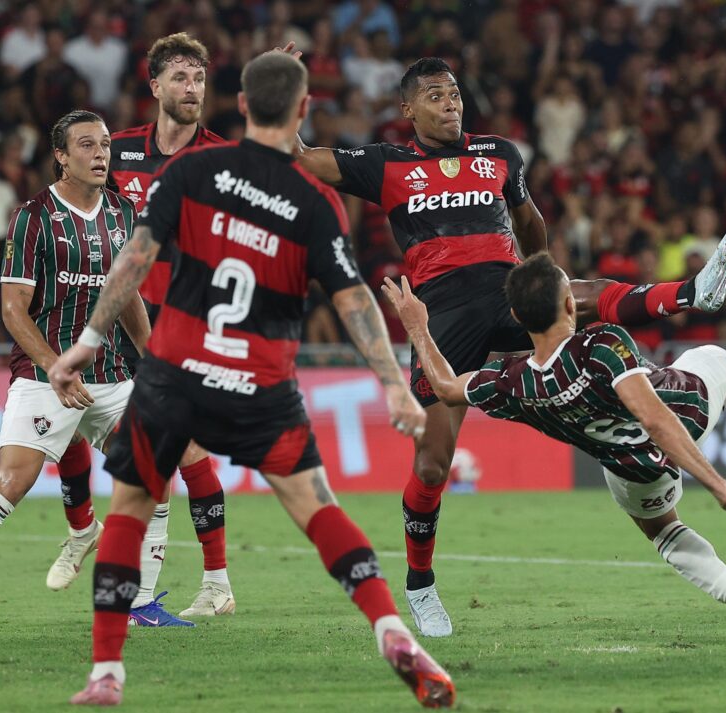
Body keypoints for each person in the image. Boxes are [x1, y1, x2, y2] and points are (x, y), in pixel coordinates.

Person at [288, 45, 726, 636]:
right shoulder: (385, 163)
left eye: (454, 93)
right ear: (408, 109)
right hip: (445, 314)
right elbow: (300, 157)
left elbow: (529, 221)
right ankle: (420, 584)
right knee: (432, 465)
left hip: (507, 290)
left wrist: (539, 273)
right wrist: (289, 91)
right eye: (434, 96)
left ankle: (692, 292)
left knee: (583, 292)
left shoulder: (498, 154)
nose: (449, 104)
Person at [51, 52, 454, 708]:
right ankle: (390, 628)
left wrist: (88, 341)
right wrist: (391, 382)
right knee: (319, 509)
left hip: (175, 372)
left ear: (240, 105)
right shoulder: (316, 200)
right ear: (303, 110)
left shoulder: (190, 171)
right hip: (261, 382)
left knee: (128, 510)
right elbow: (354, 298)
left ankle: (106, 672)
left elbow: (134, 259)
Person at [382, 252, 726, 650]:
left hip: (633, 471)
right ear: (570, 304)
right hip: (686, 412)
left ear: (517, 319)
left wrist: (418, 327)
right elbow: (656, 418)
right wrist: (720, 487)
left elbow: (445, 386)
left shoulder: (511, 381)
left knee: (664, 532)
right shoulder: (600, 345)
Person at [0, 110, 148, 633]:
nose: (100, 153)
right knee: (12, 481)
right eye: (86, 145)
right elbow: (12, 308)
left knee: (152, 465)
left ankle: (141, 602)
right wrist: (53, 366)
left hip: (111, 372)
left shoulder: (123, 212)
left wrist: (153, 358)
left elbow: (127, 295)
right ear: (61, 156)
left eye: (105, 144)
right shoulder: (33, 217)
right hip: (45, 374)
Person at [46, 32, 232, 625]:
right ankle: (84, 529)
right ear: (155, 86)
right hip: (114, 316)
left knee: (184, 448)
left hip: (180, 323)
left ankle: (214, 581)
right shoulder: (117, 150)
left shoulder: (222, 157)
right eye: (180, 77)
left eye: (199, 78)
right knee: (61, 419)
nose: (192, 88)